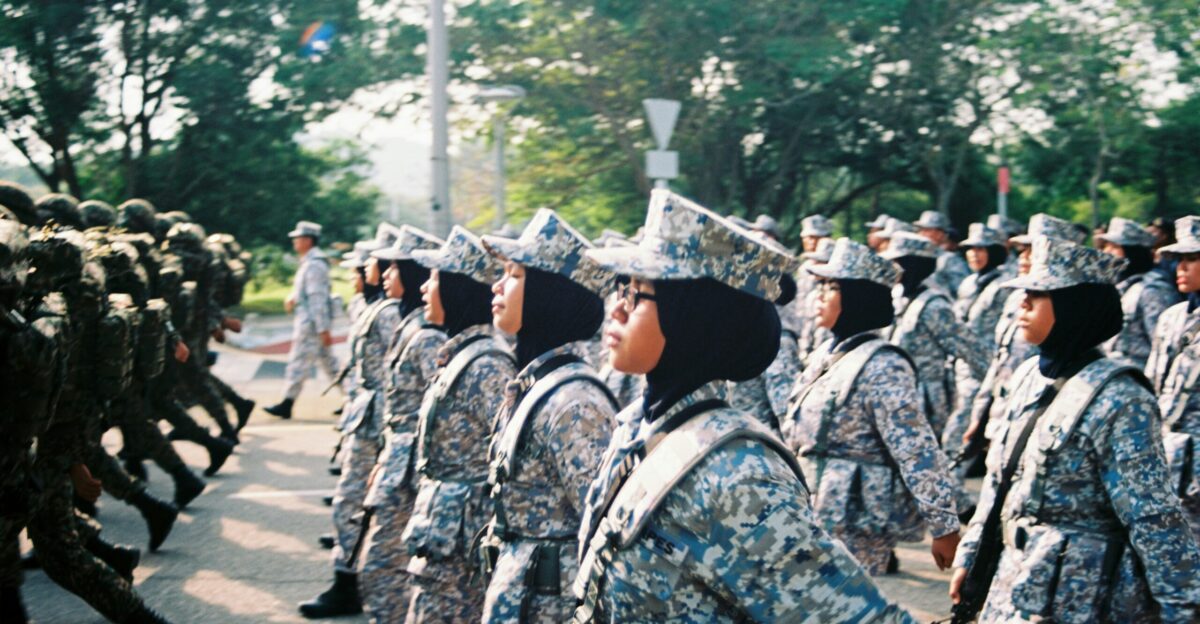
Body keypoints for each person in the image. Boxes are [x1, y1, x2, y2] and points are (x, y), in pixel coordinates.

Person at [573, 190, 914, 623]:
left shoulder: (736, 474)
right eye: (620, 289)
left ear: (691, 318)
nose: (617, 309)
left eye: (638, 294)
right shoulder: (639, 426)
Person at [950, 236, 1200, 623]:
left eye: (1038, 294)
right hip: (1009, 584)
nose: (1023, 304)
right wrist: (972, 554)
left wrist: (1181, 608)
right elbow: (999, 483)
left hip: (1077, 596)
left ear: (1073, 307)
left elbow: (1152, 516)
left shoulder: (1121, 398)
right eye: (1025, 293)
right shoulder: (1028, 376)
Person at [788, 238, 961, 575]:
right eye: (820, 285)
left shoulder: (883, 366)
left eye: (832, 287)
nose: (819, 295)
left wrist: (944, 526)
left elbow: (916, 450)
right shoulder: (826, 354)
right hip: (811, 506)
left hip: (854, 519)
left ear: (857, 298)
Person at [477, 209, 617, 622]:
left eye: (515, 275)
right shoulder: (534, 383)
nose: (498, 285)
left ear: (548, 293)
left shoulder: (573, 404)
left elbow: (601, 533)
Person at [401, 226, 515, 622]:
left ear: (457, 289)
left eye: (434, 280)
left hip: (462, 543)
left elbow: (505, 460)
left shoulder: (487, 366)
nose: (424, 289)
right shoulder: (461, 354)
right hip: (443, 533)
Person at [299, 235, 404, 619]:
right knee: (351, 499)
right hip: (369, 415)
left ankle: (350, 583)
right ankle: (347, 576)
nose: (366, 269)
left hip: (381, 421)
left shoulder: (391, 313)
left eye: (383, 263)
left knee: (358, 500)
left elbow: (401, 382)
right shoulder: (378, 306)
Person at [355, 225, 445, 624]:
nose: (386, 274)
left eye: (395, 267)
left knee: (386, 567)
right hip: (398, 457)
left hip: (413, 468)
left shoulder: (426, 336)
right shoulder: (407, 320)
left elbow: (437, 408)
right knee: (379, 566)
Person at [881, 232, 987, 439]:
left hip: (924, 399)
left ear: (912, 264)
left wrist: (995, 392)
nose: (892, 268)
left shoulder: (934, 305)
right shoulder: (897, 297)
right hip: (894, 392)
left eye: (897, 262)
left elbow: (972, 350)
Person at [1146, 216, 1200, 542]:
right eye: (1179, 259)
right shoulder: (1171, 317)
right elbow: (1153, 382)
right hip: (1167, 453)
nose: (1181, 267)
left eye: (1192, 259)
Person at [944, 224, 1012, 457]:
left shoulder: (1003, 286)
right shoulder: (968, 282)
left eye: (981, 249)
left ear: (994, 252)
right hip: (960, 367)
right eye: (970, 249)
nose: (974, 254)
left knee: (959, 434)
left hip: (983, 369)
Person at [265, 221, 342, 419]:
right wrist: (293, 297)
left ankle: (287, 403)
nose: (294, 242)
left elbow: (317, 298)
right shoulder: (309, 262)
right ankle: (353, 397)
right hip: (313, 323)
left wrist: (323, 328)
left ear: (308, 241)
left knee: (299, 363)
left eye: (297, 239)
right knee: (329, 364)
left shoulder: (314, 264)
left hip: (311, 324)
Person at [1097, 217, 1181, 369]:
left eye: (1114, 246)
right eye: (1106, 246)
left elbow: (1165, 351)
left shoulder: (1152, 291)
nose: (1106, 252)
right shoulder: (1119, 288)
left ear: (1132, 252)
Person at [914, 210, 971, 294]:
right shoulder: (916, 258)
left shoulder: (950, 260)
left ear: (940, 233)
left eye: (927, 230)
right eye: (920, 229)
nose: (921, 233)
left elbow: (963, 291)